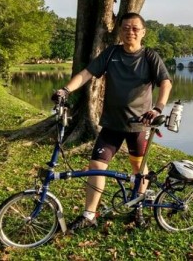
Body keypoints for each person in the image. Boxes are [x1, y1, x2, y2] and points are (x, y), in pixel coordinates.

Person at [51, 12, 172, 232]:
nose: (130, 32)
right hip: (111, 125)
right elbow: (87, 73)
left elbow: (165, 82)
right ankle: (89, 215)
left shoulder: (150, 57)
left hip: (139, 126)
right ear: (120, 31)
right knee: (96, 166)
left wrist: (158, 108)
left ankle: (138, 208)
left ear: (143, 32)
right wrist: (65, 90)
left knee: (138, 168)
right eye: (126, 28)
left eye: (135, 28)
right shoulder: (111, 54)